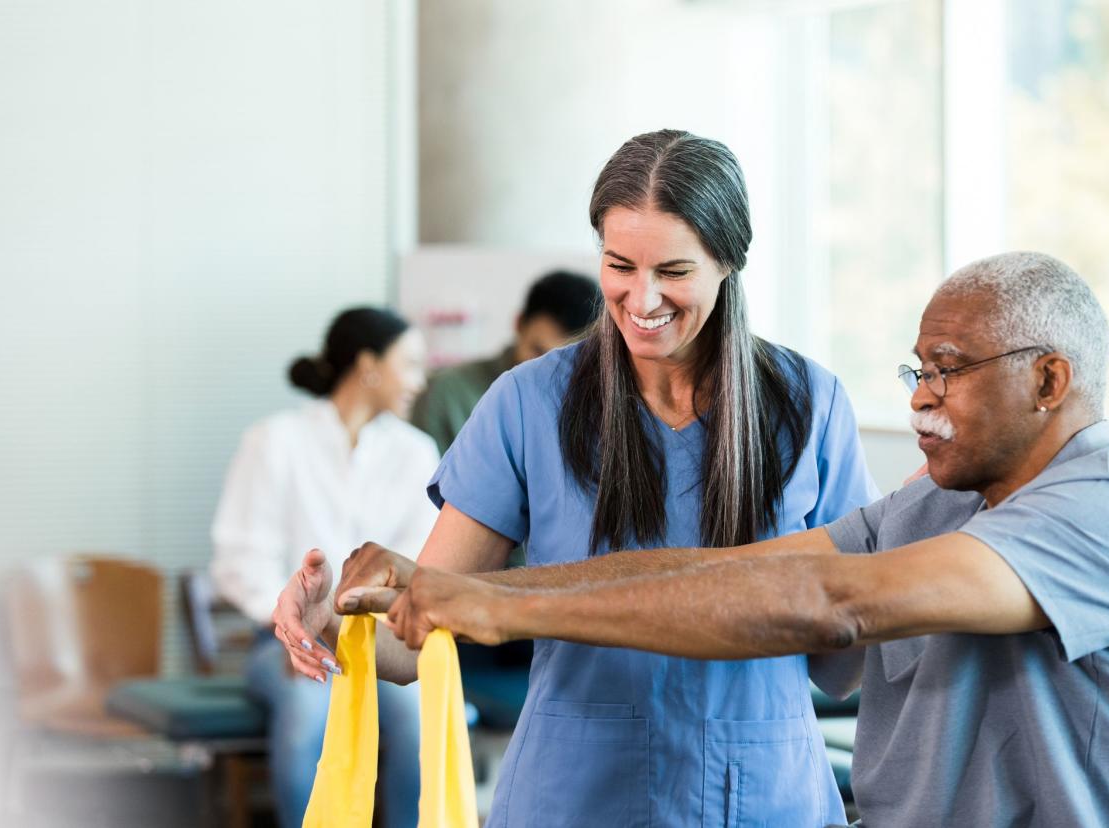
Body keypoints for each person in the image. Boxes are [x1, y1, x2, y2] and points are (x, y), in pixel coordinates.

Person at [382, 252, 1109, 827]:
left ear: (1049, 380)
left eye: (947, 370)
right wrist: (455, 592)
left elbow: (830, 606)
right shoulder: (935, 507)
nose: (922, 399)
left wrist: (504, 610)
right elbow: (737, 571)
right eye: (916, 370)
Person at [272, 129, 879, 826]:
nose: (641, 297)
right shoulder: (528, 403)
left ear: (729, 262)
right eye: (619, 264)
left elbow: (844, 663)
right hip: (576, 791)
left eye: (673, 271)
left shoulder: (809, 403)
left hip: (762, 793)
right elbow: (418, 635)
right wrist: (330, 621)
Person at [211, 307, 439, 828]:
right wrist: (301, 624)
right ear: (369, 365)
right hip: (286, 644)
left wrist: (361, 624)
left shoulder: (415, 451)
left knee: (416, 716)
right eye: (411, 364)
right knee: (310, 712)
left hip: (382, 643)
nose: (420, 381)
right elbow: (239, 559)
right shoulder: (274, 441)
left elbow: (417, 564)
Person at [411, 269, 601, 455]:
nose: (547, 368)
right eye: (538, 351)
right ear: (519, 324)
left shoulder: (596, 406)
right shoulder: (447, 394)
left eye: (565, 360)